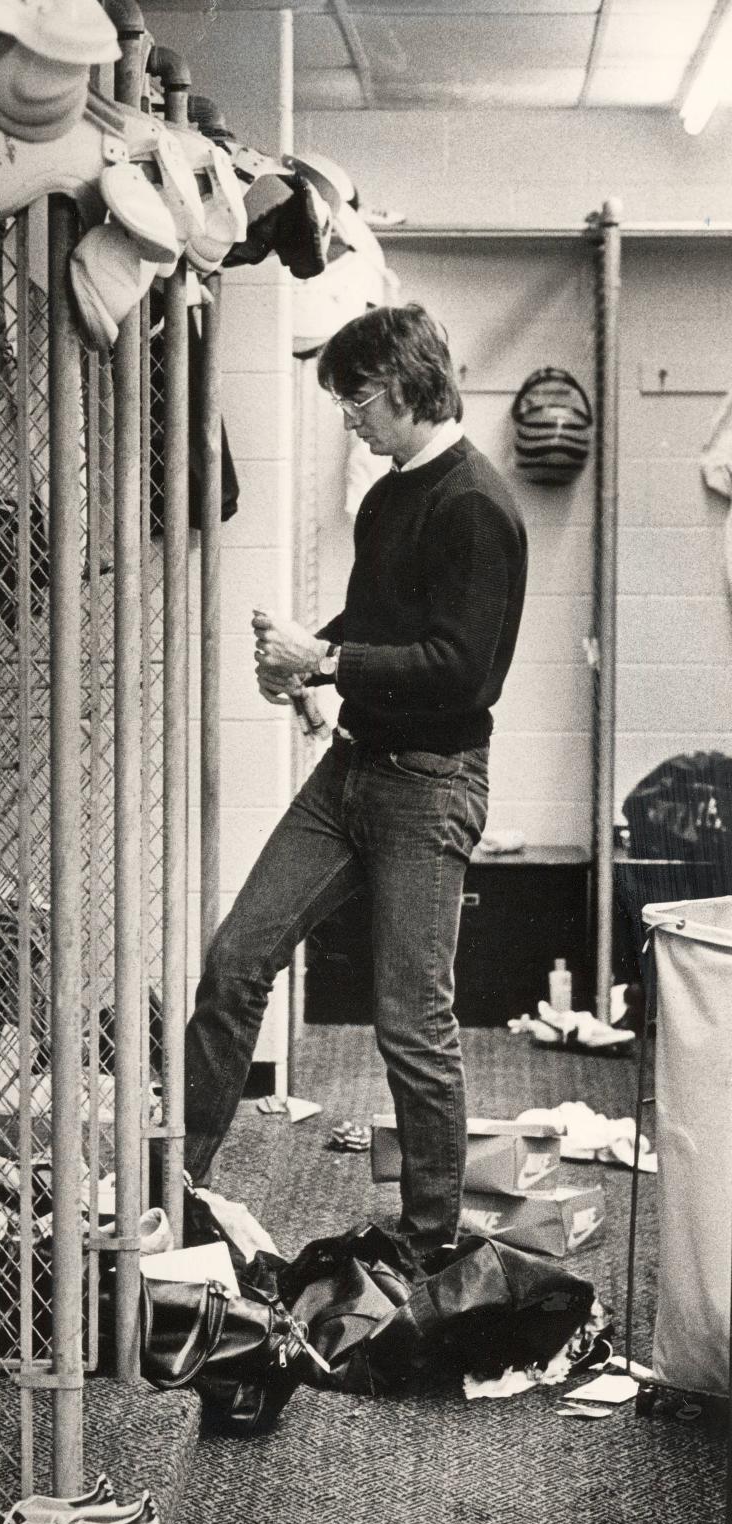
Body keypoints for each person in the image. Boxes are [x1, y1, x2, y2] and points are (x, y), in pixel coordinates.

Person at [184, 302, 528, 1249]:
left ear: (412, 385)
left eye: (358, 399)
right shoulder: (388, 496)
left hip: (431, 783)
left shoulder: (475, 506)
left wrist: (328, 664)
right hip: (354, 771)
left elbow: (462, 668)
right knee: (235, 962)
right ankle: (173, 1186)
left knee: (412, 1023)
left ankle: (430, 1241)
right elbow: (378, 623)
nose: (349, 419)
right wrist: (303, 658)